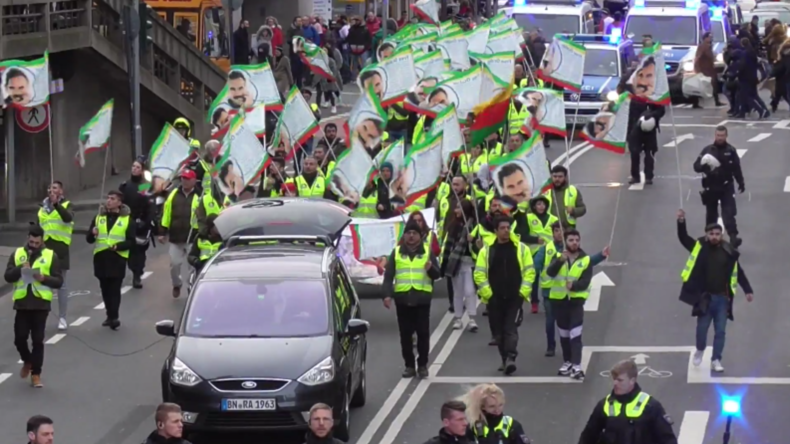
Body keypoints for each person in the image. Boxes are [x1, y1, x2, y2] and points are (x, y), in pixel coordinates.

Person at [677, 209, 753, 373]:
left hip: (722, 300)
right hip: (705, 298)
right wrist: (681, 221)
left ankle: (716, 359)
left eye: (717, 234)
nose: (714, 236)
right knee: (701, 329)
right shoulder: (699, 247)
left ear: (721, 236)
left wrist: (747, 290)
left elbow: (738, 272)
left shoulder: (728, 252)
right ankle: (700, 349)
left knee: (721, 331)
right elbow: (683, 238)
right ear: (706, 235)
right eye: (711, 234)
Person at [534, 222, 609, 357]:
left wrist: (601, 255)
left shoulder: (578, 254)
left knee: (572, 329)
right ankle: (551, 346)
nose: (559, 234)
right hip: (550, 291)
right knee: (551, 321)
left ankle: (573, 358)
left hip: (571, 297)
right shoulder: (547, 250)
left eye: (561, 231)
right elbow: (538, 267)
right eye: (556, 231)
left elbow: (586, 262)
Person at [474, 216, 535, 375]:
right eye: (502, 228)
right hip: (494, 299)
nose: (506, 230)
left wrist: (522, 292)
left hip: (515, 297)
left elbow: (529, 272)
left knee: (510, 328)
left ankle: (511, 357)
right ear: (495, 231)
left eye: (508, 227)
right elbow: (479, 274)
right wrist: (489, 294)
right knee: (498, 331)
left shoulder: (521, 249)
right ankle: (504, 358)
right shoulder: (487, 251)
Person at [5, 225, 63, 388]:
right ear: (27, 238)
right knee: (19, 338)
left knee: (38, 340)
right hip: (22, 303)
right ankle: (28, 360)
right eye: (31, 242)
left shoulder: (51, 255)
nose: (34, 245)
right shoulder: (18, 254)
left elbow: (59, 281)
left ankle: (36, 374)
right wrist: (20, 269)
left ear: (42, 241)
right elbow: (8, 276)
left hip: (40, 304)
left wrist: (42, 277)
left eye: (37, 243)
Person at [382, 221, 441, 379]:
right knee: (405, 334)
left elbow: (437, 275)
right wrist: (386, 295)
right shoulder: (397, 252)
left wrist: (431, 269)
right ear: (404, 235)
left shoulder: (428, 252)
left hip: (422, 299)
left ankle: (422, 365)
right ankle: (409, 365)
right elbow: (389, 276)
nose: (411, 236)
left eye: (414, 233)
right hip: (403, 299)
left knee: (422, 334)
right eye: (408, 233)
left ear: (420, 236)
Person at [578, 359, 678, 444]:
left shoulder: (650, 406)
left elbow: (667, 439)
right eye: (614, 379)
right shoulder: (605, 405)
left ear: (632, 380)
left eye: (620, 380)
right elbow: (588, 437)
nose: (615, 383)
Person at [545, 229, 593, 380]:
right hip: (559, 301)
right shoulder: (559, 256)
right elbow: (550, 273)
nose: (574, 243)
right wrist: (560, 261)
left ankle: (577, 366)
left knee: (575, 335)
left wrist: (574, 286)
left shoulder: (585, 260)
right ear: (566, 242)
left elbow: (586, 281)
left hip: (576, 303)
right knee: (564, 335)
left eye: (577, 240)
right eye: (571, 240)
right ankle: (568, 362)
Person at [86, 190, 134, 330]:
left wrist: (118, 246)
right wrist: (92, 233)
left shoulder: (127, 220)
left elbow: (131, 241)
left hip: (117, 258)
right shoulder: (98, 218)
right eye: (108, 198)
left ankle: (114, 317)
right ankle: (109, 314)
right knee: (105, 288)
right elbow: (89, 240)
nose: (109, 201)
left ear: (119, 203)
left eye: (112, 199)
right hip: (101, 257)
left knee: (114, 288)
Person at [692, 126, 745, 247]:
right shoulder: (707, 150)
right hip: (711, 187)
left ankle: (733, 237)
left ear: (726, 136)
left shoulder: (731, 150)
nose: (720, 138)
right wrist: (703, 167)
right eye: (718, 135)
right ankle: (709, 238)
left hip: (726, 186)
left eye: (722, 135)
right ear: (715, 135)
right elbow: (696, 166)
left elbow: (736, 168)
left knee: (729, 213)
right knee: (711, 215)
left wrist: (741, 182)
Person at [617, 57, 665, 186]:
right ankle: (635, 176)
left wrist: (652, 116)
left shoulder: (655, 86)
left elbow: (661, 109)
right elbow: (620, 96)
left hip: (649, 126)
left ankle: (649, 176)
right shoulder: (628, 80)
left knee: (650, 152)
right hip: (633, 125)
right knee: (634, 152)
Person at [37, 180, 73, 330]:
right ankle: (41, 316)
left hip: (60, 249)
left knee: (61, 286)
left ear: (61, 191)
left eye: (55, 187)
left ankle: (63, 318)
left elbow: (67, 218)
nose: (52, 190)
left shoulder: (67, 205)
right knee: (42, 284)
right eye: (50, 187)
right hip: (45, 251)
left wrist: (56, 204)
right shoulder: (42, 209)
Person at [159, 169, 200, 298]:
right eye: (183, 178)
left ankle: (191, 288)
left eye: (187, 179)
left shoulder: (200, 195)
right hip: (176, 237)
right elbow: (166, 213)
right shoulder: (173, 194)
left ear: (194, 180)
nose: (184, 181)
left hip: (192, 238)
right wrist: (162, 231)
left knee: (192, 267)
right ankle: (177, 284)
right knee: (174, 265)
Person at [441, 199, 478, 331]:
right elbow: (448, 245)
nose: (456, 210)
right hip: (456, 262)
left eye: (458, 208)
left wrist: (473, 241)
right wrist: (445, 263)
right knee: (458, 292)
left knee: (470, 291)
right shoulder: (453, 225)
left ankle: (472, 318)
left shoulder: (474, 225)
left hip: (470, 262)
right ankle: (458, 318)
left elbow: (480, 245)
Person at [119, 158, 154, 289]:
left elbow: (150, 205)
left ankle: (137, 275)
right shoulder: (124, 186)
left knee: (139, 252)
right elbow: (118, 203)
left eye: (137, 167)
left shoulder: (145, 186)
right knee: (127, 250)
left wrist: (146, 221)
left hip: (140, 224)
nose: (134, 169)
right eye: (133, 166)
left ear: (142, 170)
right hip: (126, 222)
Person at [463, 384, 531, 444]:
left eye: (500, 405)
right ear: (482, 407)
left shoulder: (512, 425)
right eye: (492, 406)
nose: (497, 410)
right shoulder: (474, 426)